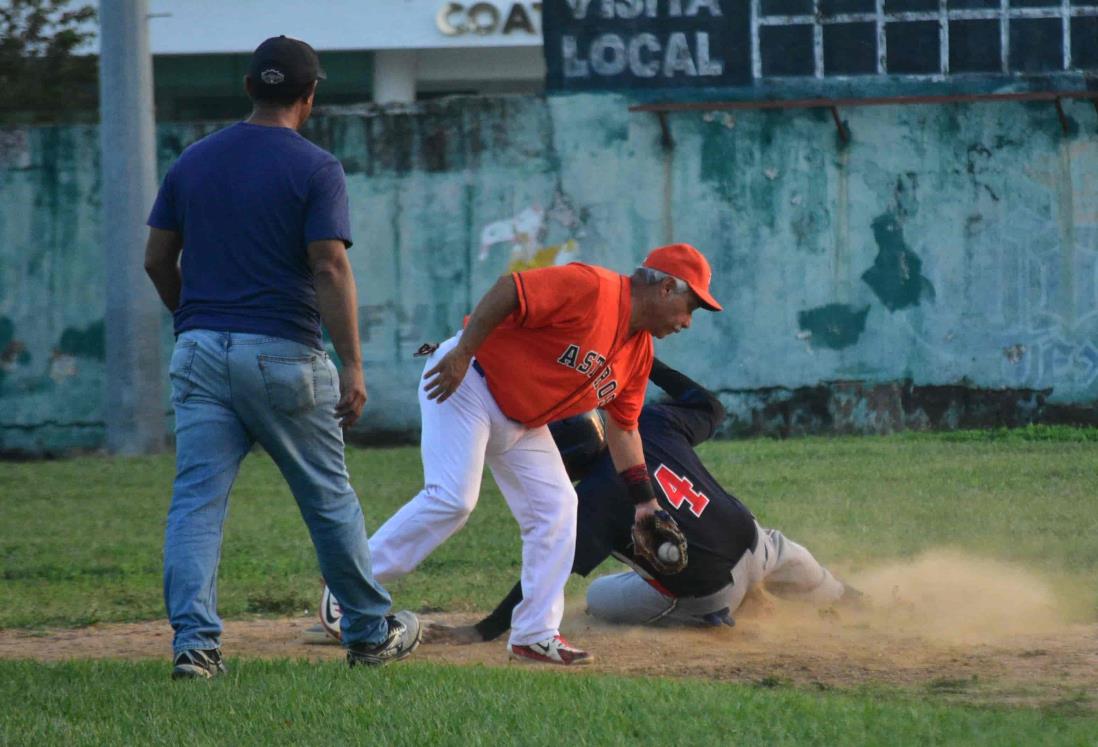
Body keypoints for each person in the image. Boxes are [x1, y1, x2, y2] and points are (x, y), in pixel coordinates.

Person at [143, 35, 420, 679]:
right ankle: (369, 633)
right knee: (328, 499)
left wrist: (193, 320)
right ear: (310, 96)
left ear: (248, 88)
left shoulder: (192, 161)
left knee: (196, 504)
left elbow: (157, 259)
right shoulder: (315, 167)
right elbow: (329, 264)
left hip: (200, 352)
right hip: (284, 355)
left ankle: (195, 646)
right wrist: (352, 363)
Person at [361, 244, 721, 666]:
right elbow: (509, 289)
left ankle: (534, 634)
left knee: (558, 506)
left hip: (521, 417)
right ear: (665, 288)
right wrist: (462, 352)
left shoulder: (637, 354)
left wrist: (645, 503)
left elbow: (624, 428)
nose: (687, 322)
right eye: (689, 306)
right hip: (469, 380)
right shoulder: (594, 288)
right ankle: (352, 589)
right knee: (453, 498)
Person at [429, 359, 858, 643]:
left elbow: (546, 573)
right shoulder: (649, 423)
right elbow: (708, 405)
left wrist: (485, 629)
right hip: (755, 543)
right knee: (777, 547)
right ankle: (841, 594)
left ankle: (728, 613)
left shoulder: (592, 499)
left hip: (712, 596)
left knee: (598, 596)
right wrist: (643, 360)